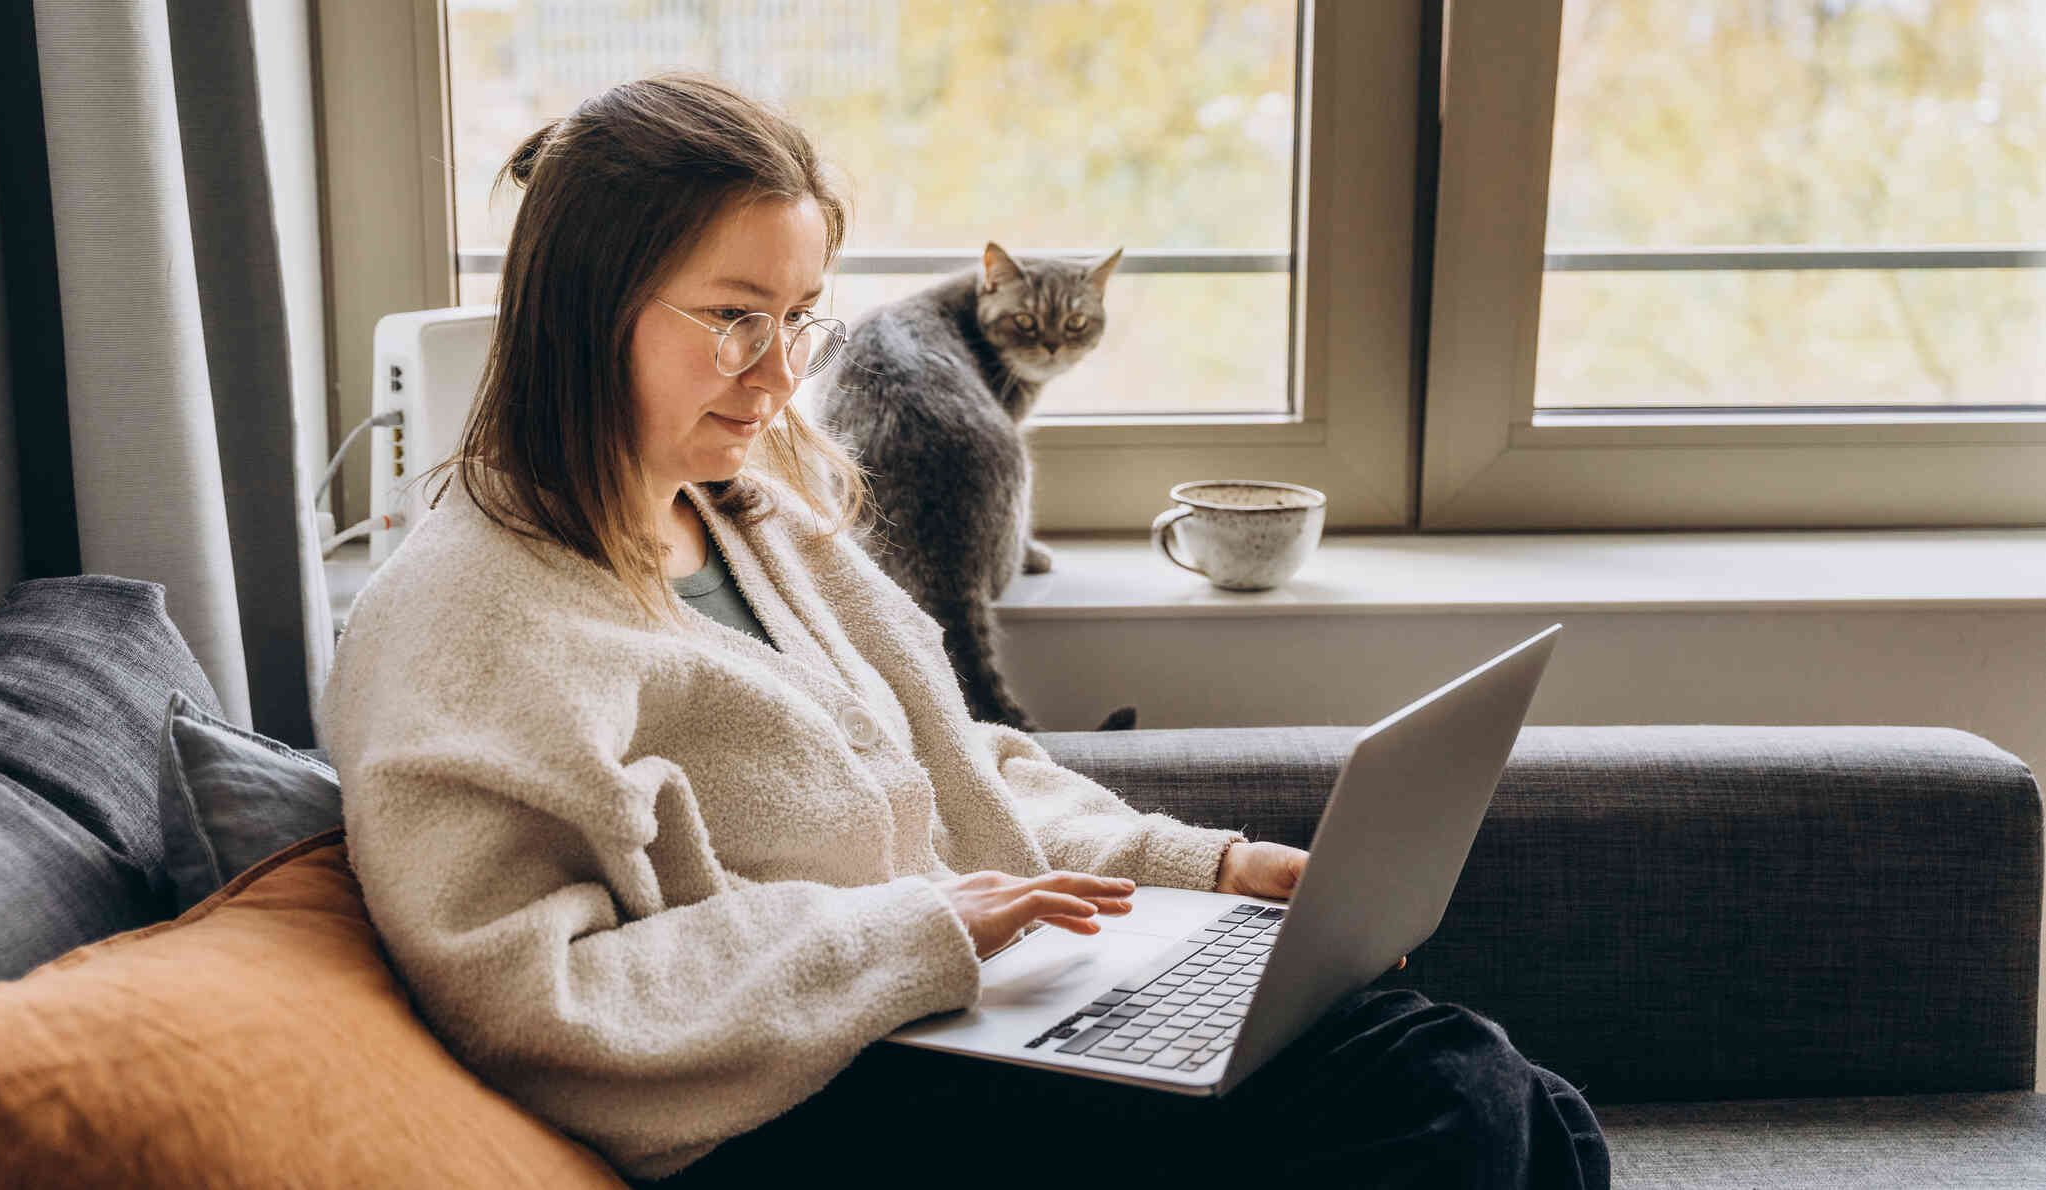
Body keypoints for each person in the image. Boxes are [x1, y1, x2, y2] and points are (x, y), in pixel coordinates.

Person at [319, 73, 1609, 1188]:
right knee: (1452, 1102)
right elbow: (531, 998)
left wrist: (1186, 865)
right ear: (581, 309)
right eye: (733, 319)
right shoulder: (466, 623)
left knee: (1506, 1105)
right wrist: (915, 932)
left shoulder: (759, 520)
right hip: (796, 1113)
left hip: (961, 1024)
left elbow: (955, 768)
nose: (780, 377)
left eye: (800, 316)